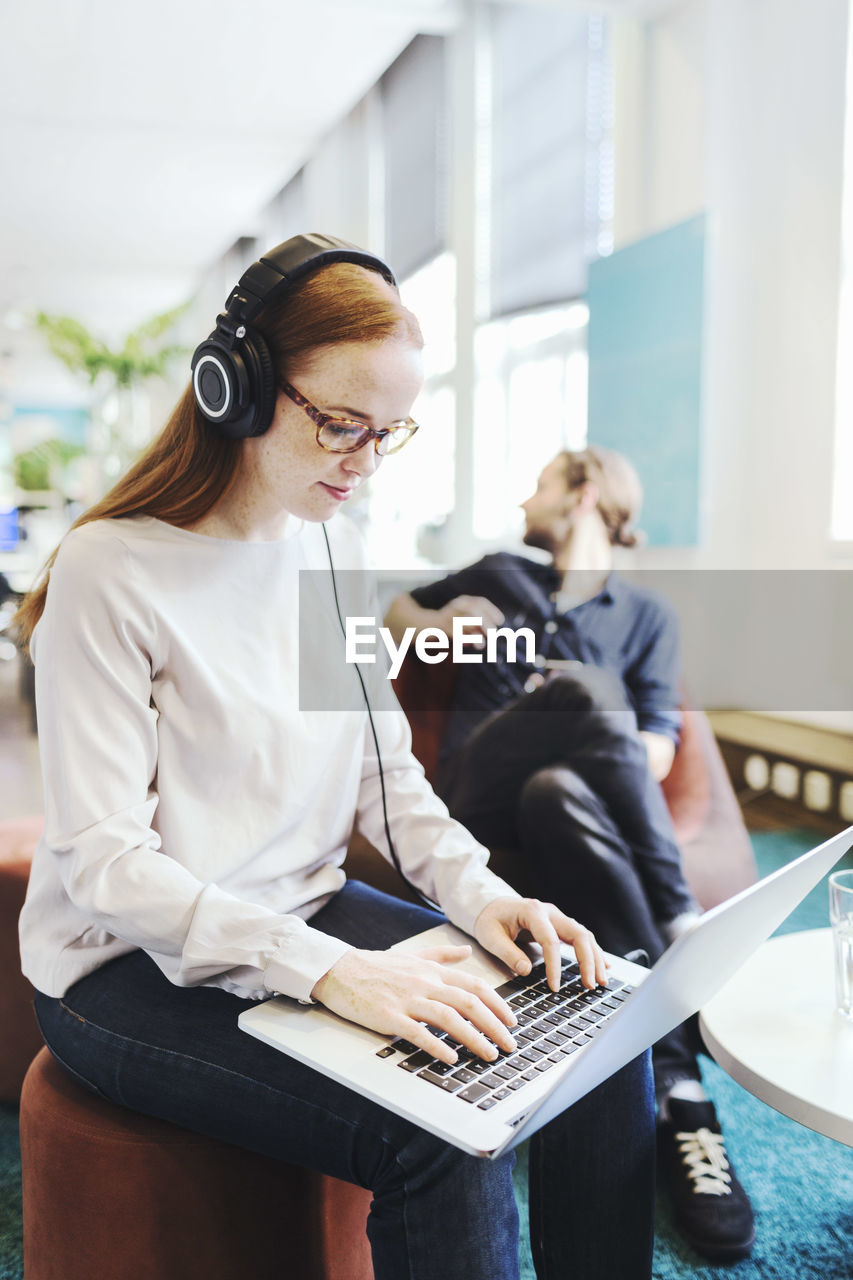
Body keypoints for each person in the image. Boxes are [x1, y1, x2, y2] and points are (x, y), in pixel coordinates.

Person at [14, 236, 656, 1280]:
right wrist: (332, 973)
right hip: (124, 964)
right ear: (239, 385)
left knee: (599, 1028)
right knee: (437, 1131)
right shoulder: (111, 570)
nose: (362, 461)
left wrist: (484, 899)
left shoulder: (328, 548)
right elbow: (104, 861)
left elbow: (386, 780)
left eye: (387, 434)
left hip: (303, 909)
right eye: (342, 424)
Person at [385, 446, 756, 1263]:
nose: (526, 495)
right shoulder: (497, 573)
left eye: (542, 481)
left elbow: (654, 754)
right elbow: (392, 616)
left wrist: (581, 733)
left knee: (558, 787)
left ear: (582, 494)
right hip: (475, 789)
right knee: (588, 691)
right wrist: (439, 627)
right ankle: (679, 920)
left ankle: (677, 1090)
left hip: (567, 799)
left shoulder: (646, 616)